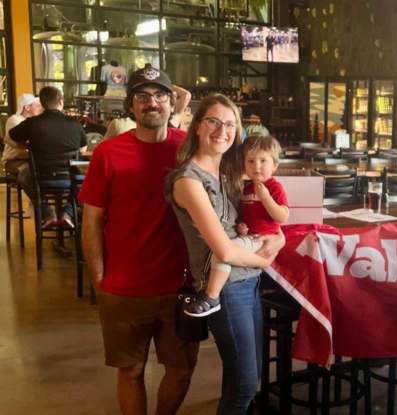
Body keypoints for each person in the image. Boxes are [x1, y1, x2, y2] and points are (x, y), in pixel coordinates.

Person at [79, 67, 196, 415]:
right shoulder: (108, 152)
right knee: (130, 371)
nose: (152, 103)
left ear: (171, 103)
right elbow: (92, 221)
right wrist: (100, 281)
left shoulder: (186, 148)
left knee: (181, 369)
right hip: (123, 287)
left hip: (179, 285)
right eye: (142, 97)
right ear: (130, 107)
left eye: (160, 95)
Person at [165, 94, 285, 414]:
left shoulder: (231, 172)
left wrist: (280, 238)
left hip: (250, 282)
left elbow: (264, 219)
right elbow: (224, 249)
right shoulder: (188, 181)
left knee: (246, 375)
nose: (223, 130)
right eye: (214, 121)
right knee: (246, 383)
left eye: (230, 124)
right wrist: (267, 259)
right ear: (197, 127)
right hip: (227, 290)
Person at [183, 134, 288, 317]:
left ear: (275, 166)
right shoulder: (245, 187)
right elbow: (244, 215)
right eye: (251, 161)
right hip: (249, 236)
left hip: (260, 239)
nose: (256, 166)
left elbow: (282, 216)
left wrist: (266, 198)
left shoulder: (274, 187)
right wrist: (242, 225)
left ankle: (211, 296)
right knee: (225, 251)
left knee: (224, 252)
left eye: (263, 161)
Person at [10, 86, 86, 228]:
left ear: (42, 104)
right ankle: (68, 212)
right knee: (89, 180)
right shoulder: (75, 124)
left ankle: (47, 212)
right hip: (69, 178)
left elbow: (11, 136)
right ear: (61, 102)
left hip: (41, 178)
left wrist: (25, 146)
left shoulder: (32, 123)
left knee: (23, 176)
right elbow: (83, 149)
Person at [2, 94, 42, 174]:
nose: (40, 108)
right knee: (32, 172)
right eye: (37, 106)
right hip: (14, 160)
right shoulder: (14, 119)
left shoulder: (34, 121)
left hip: (30, 160)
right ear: (27, 107)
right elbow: (23, 142)